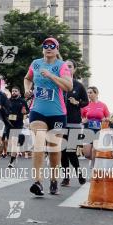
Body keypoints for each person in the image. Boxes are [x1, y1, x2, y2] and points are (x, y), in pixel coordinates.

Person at [24, 37, 72, 196]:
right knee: (38, 144)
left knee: (53, 148)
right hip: (37, 110)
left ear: (57, 49)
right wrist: (28, 89)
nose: (48, 47)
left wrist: (51, 76)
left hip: (57, 113)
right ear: (43, 48)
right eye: (46, 45)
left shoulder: (62, 66)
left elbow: (68, 86)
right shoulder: (36, 63)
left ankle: (53, 180)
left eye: (52, 45)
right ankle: (37, 182)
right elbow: (27, 78)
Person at [60, 59, 88, 186]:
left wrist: (77, 103)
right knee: (62, 152)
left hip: (74, 123)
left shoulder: (78, 86)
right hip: (60, 122)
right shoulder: (59, 84)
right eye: (65, 66)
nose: (67, 68)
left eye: (70, 66)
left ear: (74, 69)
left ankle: (79, 174)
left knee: (70, 151)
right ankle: (66, 178)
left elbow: (86, 102)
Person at [80, 86, 110, 174]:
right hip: (87, 130)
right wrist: (83, 120)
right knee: (87, 154)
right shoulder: (85, 105)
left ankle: (94, 166)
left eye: (90, 93)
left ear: (96, 93)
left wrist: (106, 119)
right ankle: (91, 159)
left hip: (99, 130)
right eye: (88, 93)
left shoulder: (103, 105)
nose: (88, 94)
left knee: (95, 149)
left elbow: (108, 116)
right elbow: (81, 117)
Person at [5, 85, 28, 168]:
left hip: (18, 124)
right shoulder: (8, 101)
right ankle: (14, 156)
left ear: (19, 92)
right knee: (10, 143)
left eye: (15, 91)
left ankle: (11, 161)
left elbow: (27, 111)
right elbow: (4, 110)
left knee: (14, 142)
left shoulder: (22, 101)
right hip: (9, 124)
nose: (14, 92)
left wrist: (25, 112)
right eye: (13, 91)